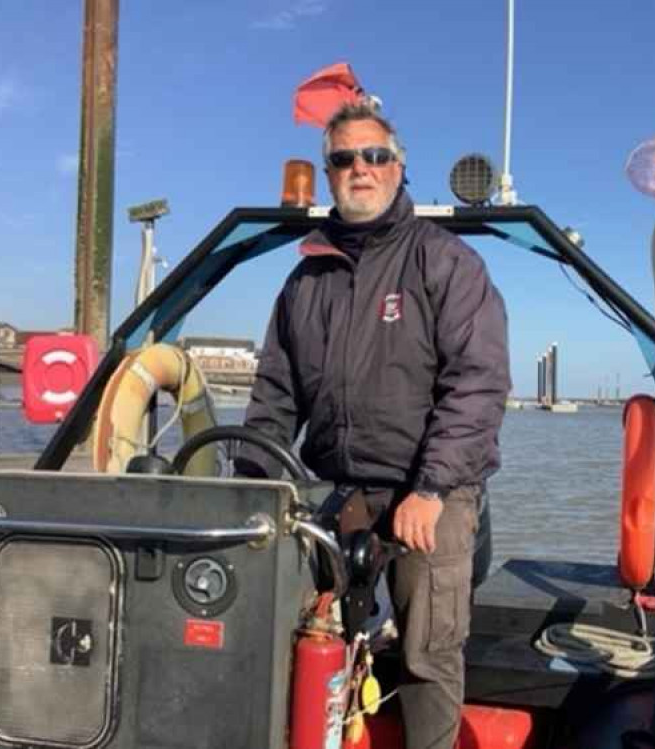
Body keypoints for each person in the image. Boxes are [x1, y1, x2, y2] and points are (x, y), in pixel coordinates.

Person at [238, 101, 511, 749]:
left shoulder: (445, 262)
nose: (361, 167)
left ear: (399, 167)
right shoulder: (304, 282)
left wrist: (433, 487)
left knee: (426, 652)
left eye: (375, 155)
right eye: (344, 158)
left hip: (429, 491)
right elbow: (274, 395)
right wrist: (253, 491)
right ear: (330, 174)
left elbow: (478, 384)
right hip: (333, 491)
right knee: (287, 631)